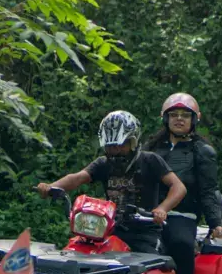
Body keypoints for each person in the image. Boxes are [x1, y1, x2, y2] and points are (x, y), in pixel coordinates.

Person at [36, 110, 187, 257]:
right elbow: (77, 177)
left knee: (150, 268)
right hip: (109, 230)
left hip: (144, 233)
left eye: (120, 145)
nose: (115, 151)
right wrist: (51, 187)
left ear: (133, 142)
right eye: (110, 146)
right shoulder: (103, 163)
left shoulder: (150, 160)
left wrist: (162, 209)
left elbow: (178, 187)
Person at [144, 93, 222, 274]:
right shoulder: (152, 148)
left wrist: (215, 222)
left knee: (180, 244)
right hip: (149, 215)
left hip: (183, 215)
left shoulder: (202, 151)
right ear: (165, 118)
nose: (179, 119)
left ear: (194, 120)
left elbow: (209, 190)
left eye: (184, 115)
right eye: (174, 115)